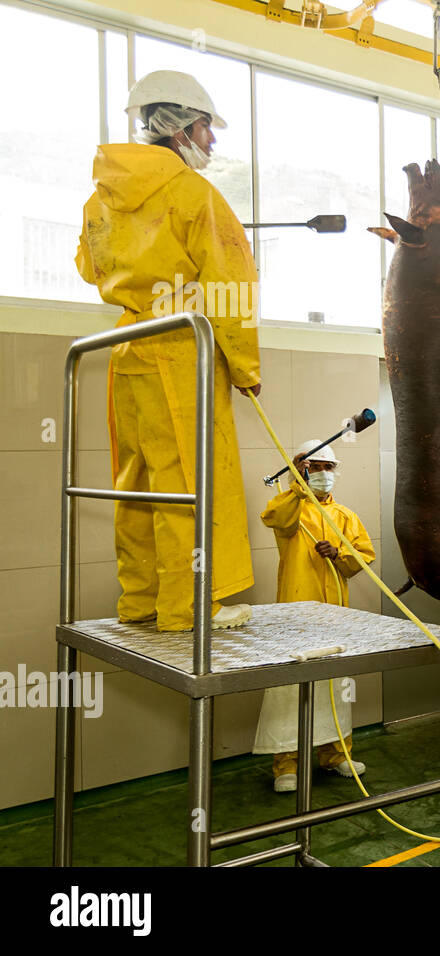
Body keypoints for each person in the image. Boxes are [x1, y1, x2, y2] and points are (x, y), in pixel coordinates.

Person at [75, 70, 261, 632]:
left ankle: (140, 601)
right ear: (180, 126)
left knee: (136, 481)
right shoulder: (193, 193)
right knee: (186, 482)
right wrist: (246, 366)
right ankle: (187, 608)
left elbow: (90, 268)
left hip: (126, 351)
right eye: (207, 128)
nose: (212, 141)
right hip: (181, 353)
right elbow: (232, 284)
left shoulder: (100, 197)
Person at [254, 441, 377, 793]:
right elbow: (274, 517)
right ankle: (285, 765)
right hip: (294, 615)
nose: (323, 474)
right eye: (315, 467)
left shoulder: (345, 516)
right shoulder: (292, 510)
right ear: (302, 470)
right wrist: (296, 482)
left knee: (335, 686)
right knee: (290, 689)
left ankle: (336, 755)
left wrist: (339, 553)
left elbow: (363, 557)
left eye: (328, 467)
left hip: (335, 615)